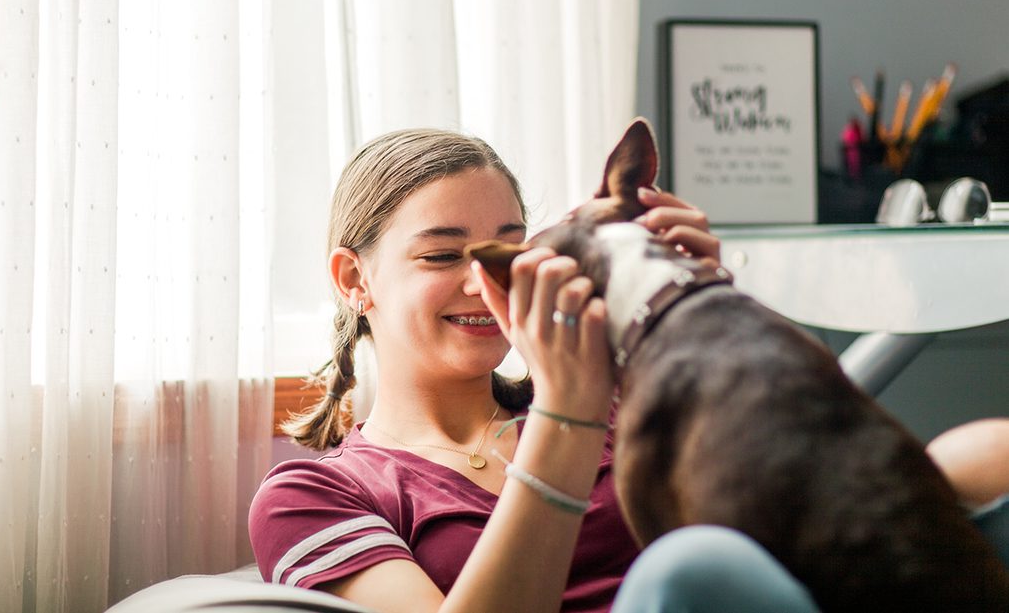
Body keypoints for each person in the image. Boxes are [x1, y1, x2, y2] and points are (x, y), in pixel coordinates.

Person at [249, 127, 1009, 613]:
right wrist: (565, 417)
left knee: (979, 450)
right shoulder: (314, 495)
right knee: (693, 568)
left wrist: (707, 316)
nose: (488, 281)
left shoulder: (635, 405)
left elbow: (817, 489)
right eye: (443, 255)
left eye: (512, 249)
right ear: (354, 279)